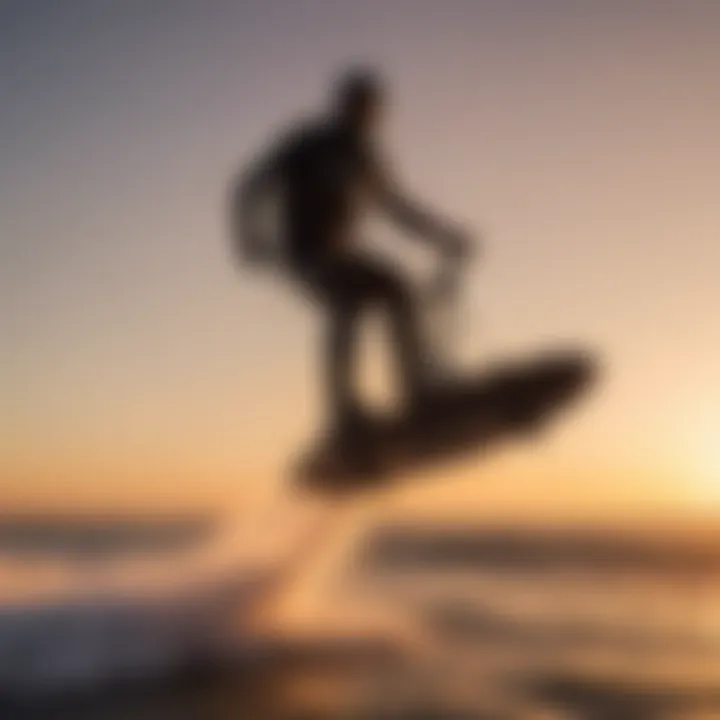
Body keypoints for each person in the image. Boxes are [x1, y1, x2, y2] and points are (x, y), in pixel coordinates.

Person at [231, 68, 474, 451]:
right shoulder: (307, 144)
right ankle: (344, 417)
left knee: (398, 290)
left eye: (373, 111)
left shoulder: (366, 159)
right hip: (307, 255)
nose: (367, 117)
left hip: (343, 256)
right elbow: (251, 184)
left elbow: (397, 208)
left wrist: (445, 237)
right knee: (348, 304)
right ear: (343, 106)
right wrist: (248, 238)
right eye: (359, 107)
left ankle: (418, 395)